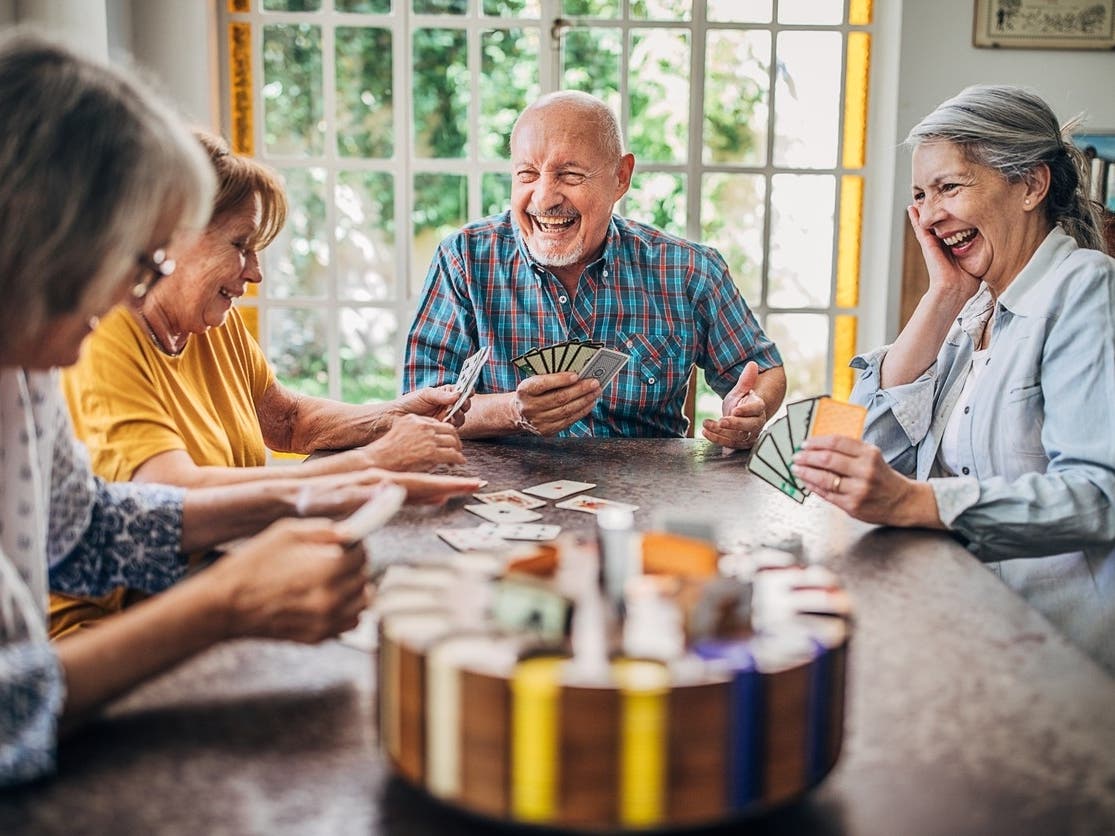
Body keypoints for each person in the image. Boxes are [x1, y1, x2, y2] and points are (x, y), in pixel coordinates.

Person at [0, 32, 477, 786]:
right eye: (135, 258)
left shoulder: (25, 361)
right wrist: (222, 604)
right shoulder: (76, 341)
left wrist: (319, 490)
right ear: (43, 232)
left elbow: (83, 529)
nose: (134, 290)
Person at [790, 84, 1115, 675]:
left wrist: (920, 501)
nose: (930, 214)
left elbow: (1099, 497)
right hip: (964, 623)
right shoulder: (973, 305)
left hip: (1058, 656)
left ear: (1031, 186)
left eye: (950, 187)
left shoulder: (1087, 288)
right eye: (920, 195)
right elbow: (868, 447)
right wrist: (941, 296)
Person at [403, 90, 786, 449]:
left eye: (570, 175)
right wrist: (513, 411)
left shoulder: (689, 269)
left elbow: (764, 370)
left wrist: (753, 408)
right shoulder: (464, 258)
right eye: (527, 175)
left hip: (644, 498)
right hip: (505, 503)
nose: (545, 198)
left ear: (621, 177)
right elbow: (422, 409)